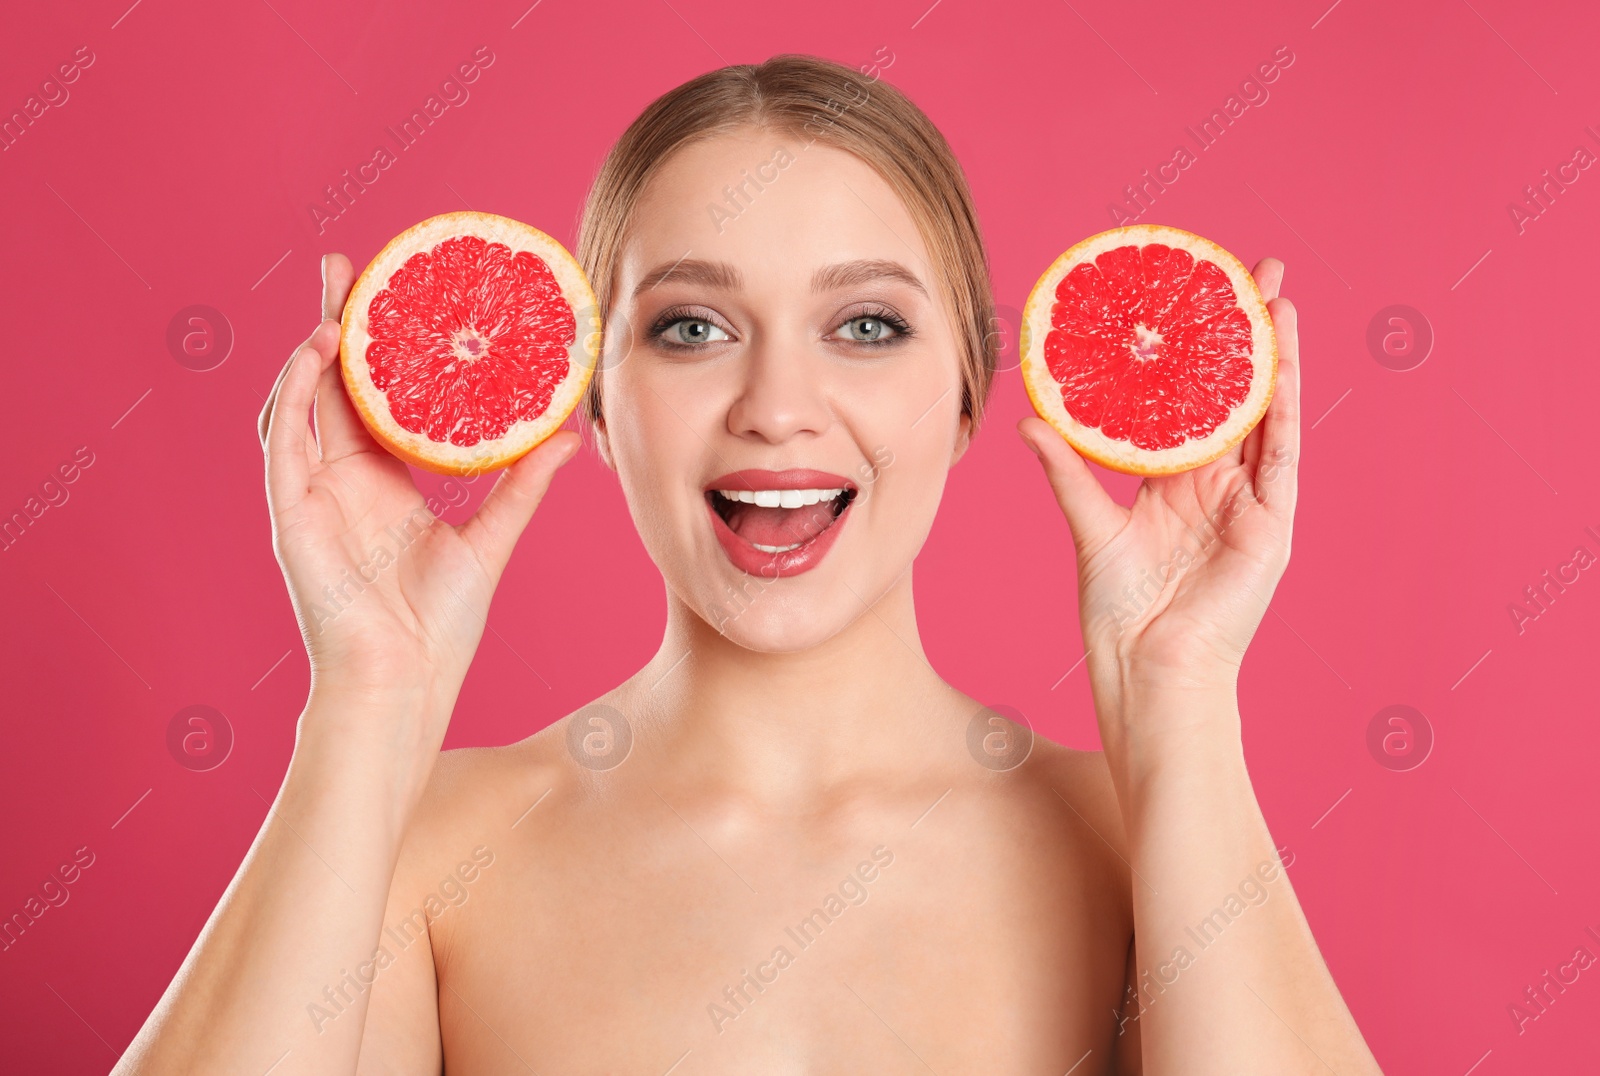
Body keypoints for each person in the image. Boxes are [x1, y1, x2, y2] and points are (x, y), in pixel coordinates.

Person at [115, 53, 1379, 1074]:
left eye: (868, 324)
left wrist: (1181, 692)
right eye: (691, 326)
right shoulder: (420, 847)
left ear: (963, 396)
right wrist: (367, 699)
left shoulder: (1150, 841)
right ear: (593, 404)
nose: (777, 405)